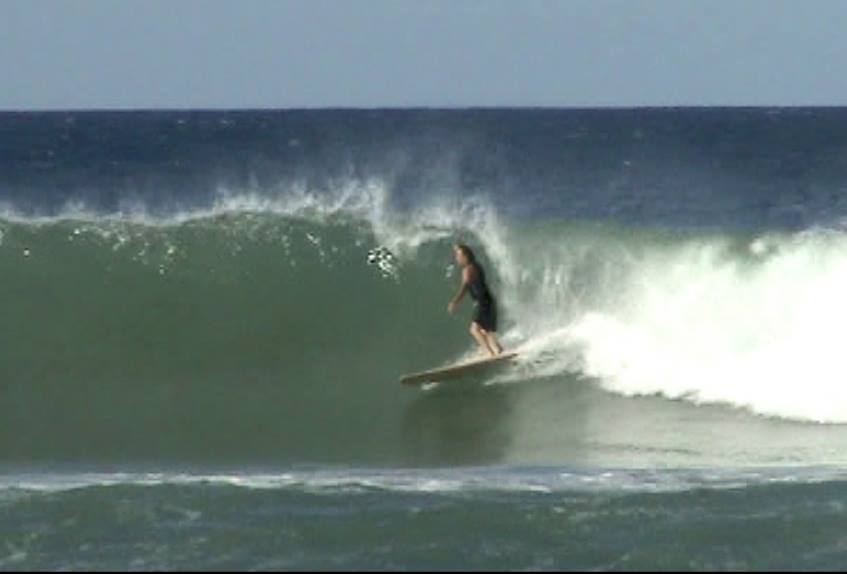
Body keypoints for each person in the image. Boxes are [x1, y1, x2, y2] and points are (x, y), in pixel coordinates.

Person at [447, 244, 504, 357]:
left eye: (458, 255)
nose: (457, 259)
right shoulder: (477, 266)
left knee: (474, 329)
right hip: (488, 299)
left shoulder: (468, 269)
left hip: (482, 301)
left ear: (465, 256)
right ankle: (498, 349)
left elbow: (465, 287)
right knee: (485, 330)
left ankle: (489, 352)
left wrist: (455, 302)